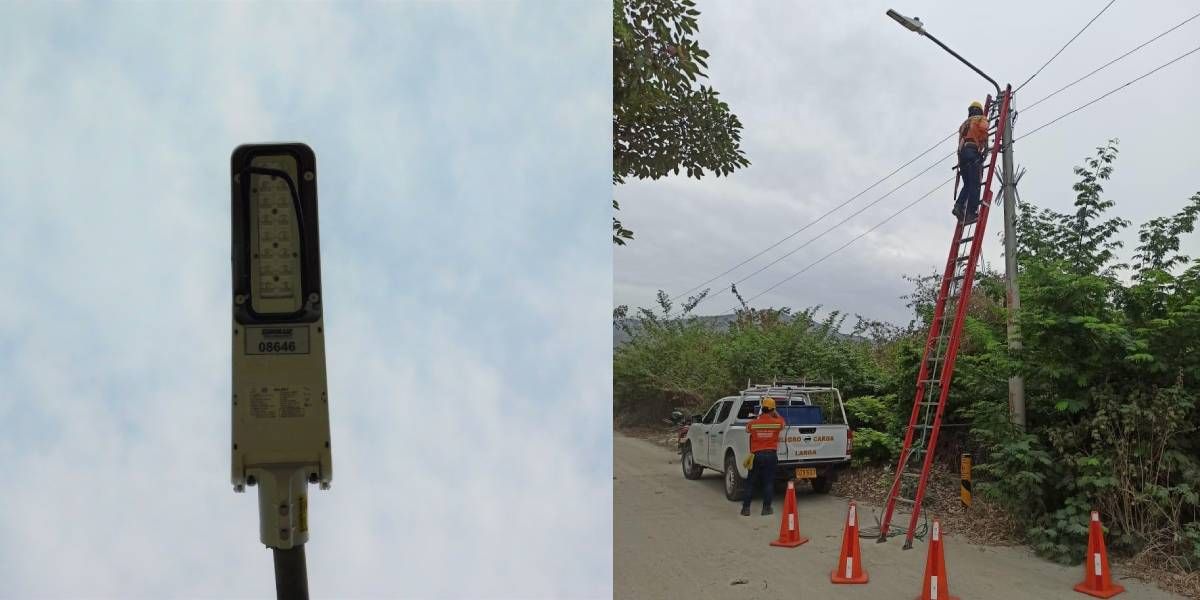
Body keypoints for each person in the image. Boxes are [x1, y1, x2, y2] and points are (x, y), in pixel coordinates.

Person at [741, 396, 787, 516]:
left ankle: (746, 508)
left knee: (750, 482)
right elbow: (784, 423)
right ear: (772, 410)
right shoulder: (777, 423)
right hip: (771, 455)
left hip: (756, 455)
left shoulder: (754, 423)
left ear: (762, 408)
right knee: (768, 482)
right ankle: (766, 508)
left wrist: (758, 417)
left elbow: (747, 429)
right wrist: (775, 413)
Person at [954, 100, 989, 224]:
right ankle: (971, 212)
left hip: (962, 156)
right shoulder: (981, 118)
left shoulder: (963, 124)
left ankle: (958, 206)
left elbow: (960, 142)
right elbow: (984, 130)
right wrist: (985, 142)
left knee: (967, 185)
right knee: (975, 184)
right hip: (972, 152)